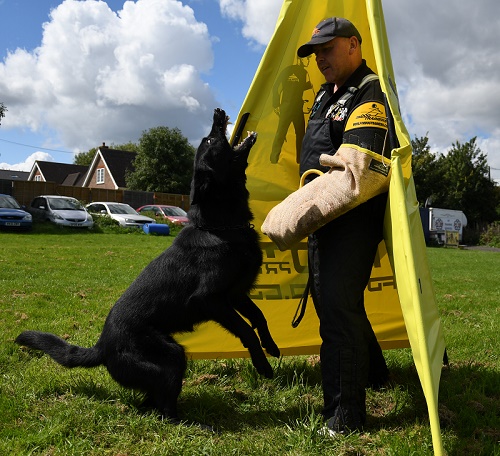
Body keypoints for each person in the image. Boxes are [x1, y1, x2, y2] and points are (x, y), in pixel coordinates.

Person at [296, 17, 390, 434]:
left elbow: (357, 168)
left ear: (354, 44)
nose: (319, 57)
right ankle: (376, 374)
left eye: (327, 49)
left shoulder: (369, 90)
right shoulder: (324, 94)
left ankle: (344, 416)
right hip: (322, 217)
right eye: (315, 51)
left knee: (337, 310)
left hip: (350, 217)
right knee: (338, 304)